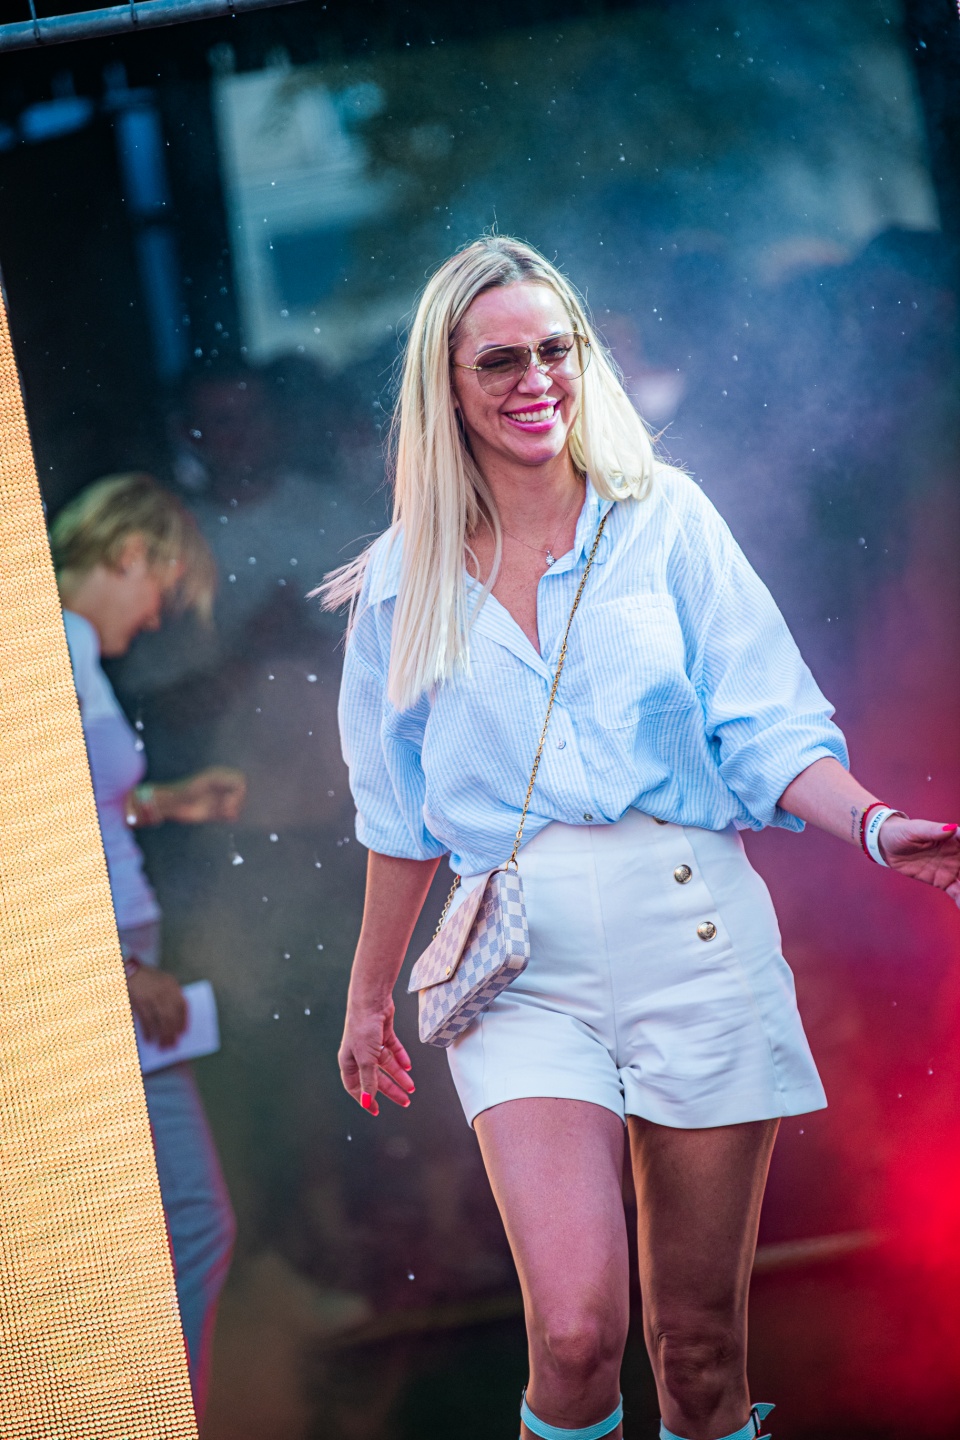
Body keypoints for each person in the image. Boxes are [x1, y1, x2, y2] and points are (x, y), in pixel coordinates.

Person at [325, 236, 960, 1440]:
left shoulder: (664, 515)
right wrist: (367, 999)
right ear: (445, 386)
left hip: (693, 930)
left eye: (554, 350)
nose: (535, 380)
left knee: (699, 1352)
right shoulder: (399, 581)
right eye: (499, 360)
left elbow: (768, 728)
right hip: (517, 966)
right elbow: (396, 819)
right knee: (574, 1338)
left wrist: (876, 828)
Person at [51, 473, 245, 1420]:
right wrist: (116, 966)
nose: (159, 613)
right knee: (191, 1222)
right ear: (130, 553)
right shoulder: (51, 646)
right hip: (97, 964)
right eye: (163, 587)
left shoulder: (73, 650)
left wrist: (162, 802)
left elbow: (79, 802)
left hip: (115, 956)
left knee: (160, 1224)